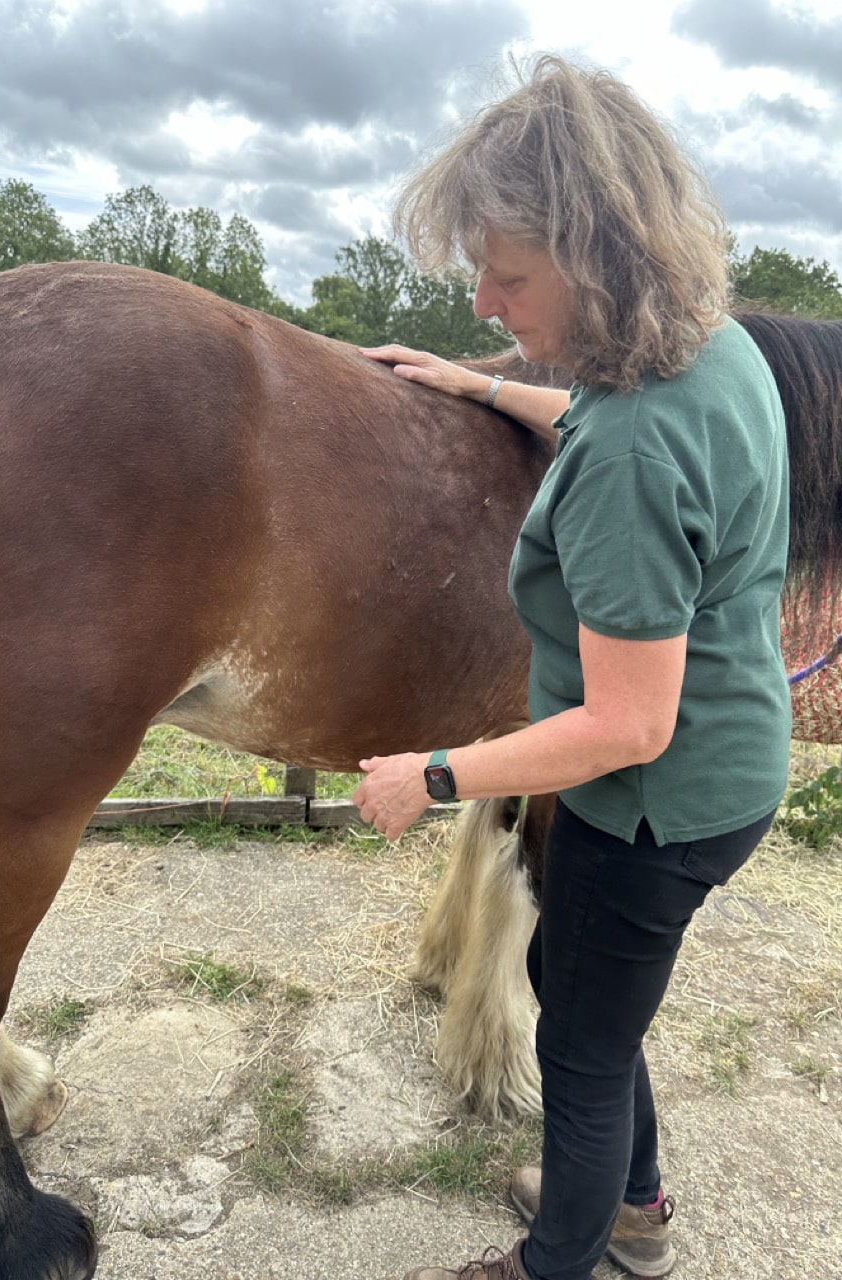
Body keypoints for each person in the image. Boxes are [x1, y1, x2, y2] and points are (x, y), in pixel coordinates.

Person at [351, 55, 790, 1280]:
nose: (485, 300)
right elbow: (601, 412)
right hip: (726, 767)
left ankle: (570, 1254)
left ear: (597, 252)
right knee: (575, 979)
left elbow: (626, 722)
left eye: (509, 274)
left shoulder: (635, 461)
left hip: (655, 798)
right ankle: (630, 1202)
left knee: (585, 1052)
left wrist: (431, 774)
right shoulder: (707, 352)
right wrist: (479, 388)